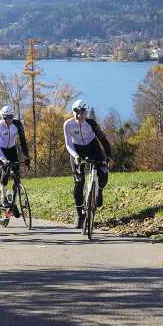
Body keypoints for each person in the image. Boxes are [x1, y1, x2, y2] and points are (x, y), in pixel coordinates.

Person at [62, 98, 112, 228]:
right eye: (76, 112)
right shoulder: (68, 124)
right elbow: (68, 144)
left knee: (104, 173)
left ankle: (99, 191)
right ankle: (79, 214)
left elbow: (103, 139)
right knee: (79, 182)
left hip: (92, 147)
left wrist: (108, 155)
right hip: (76, 150)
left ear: (86, 112)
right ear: (73, 112)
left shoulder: (91, 123)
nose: (79, 115)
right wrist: (76, 156)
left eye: (82, 112)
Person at [0, 105, 29, 214]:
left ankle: (14, 202)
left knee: (17, 177)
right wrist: (4, 160)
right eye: (5, 118)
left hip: (12, 150)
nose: (8, 120)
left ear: (13, 116)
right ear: (2, 117)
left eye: (10, 117)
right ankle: (3, 198)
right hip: (1, 151)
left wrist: (26, 156)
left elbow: (23, 141)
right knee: (6, 171)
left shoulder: (17, 124)